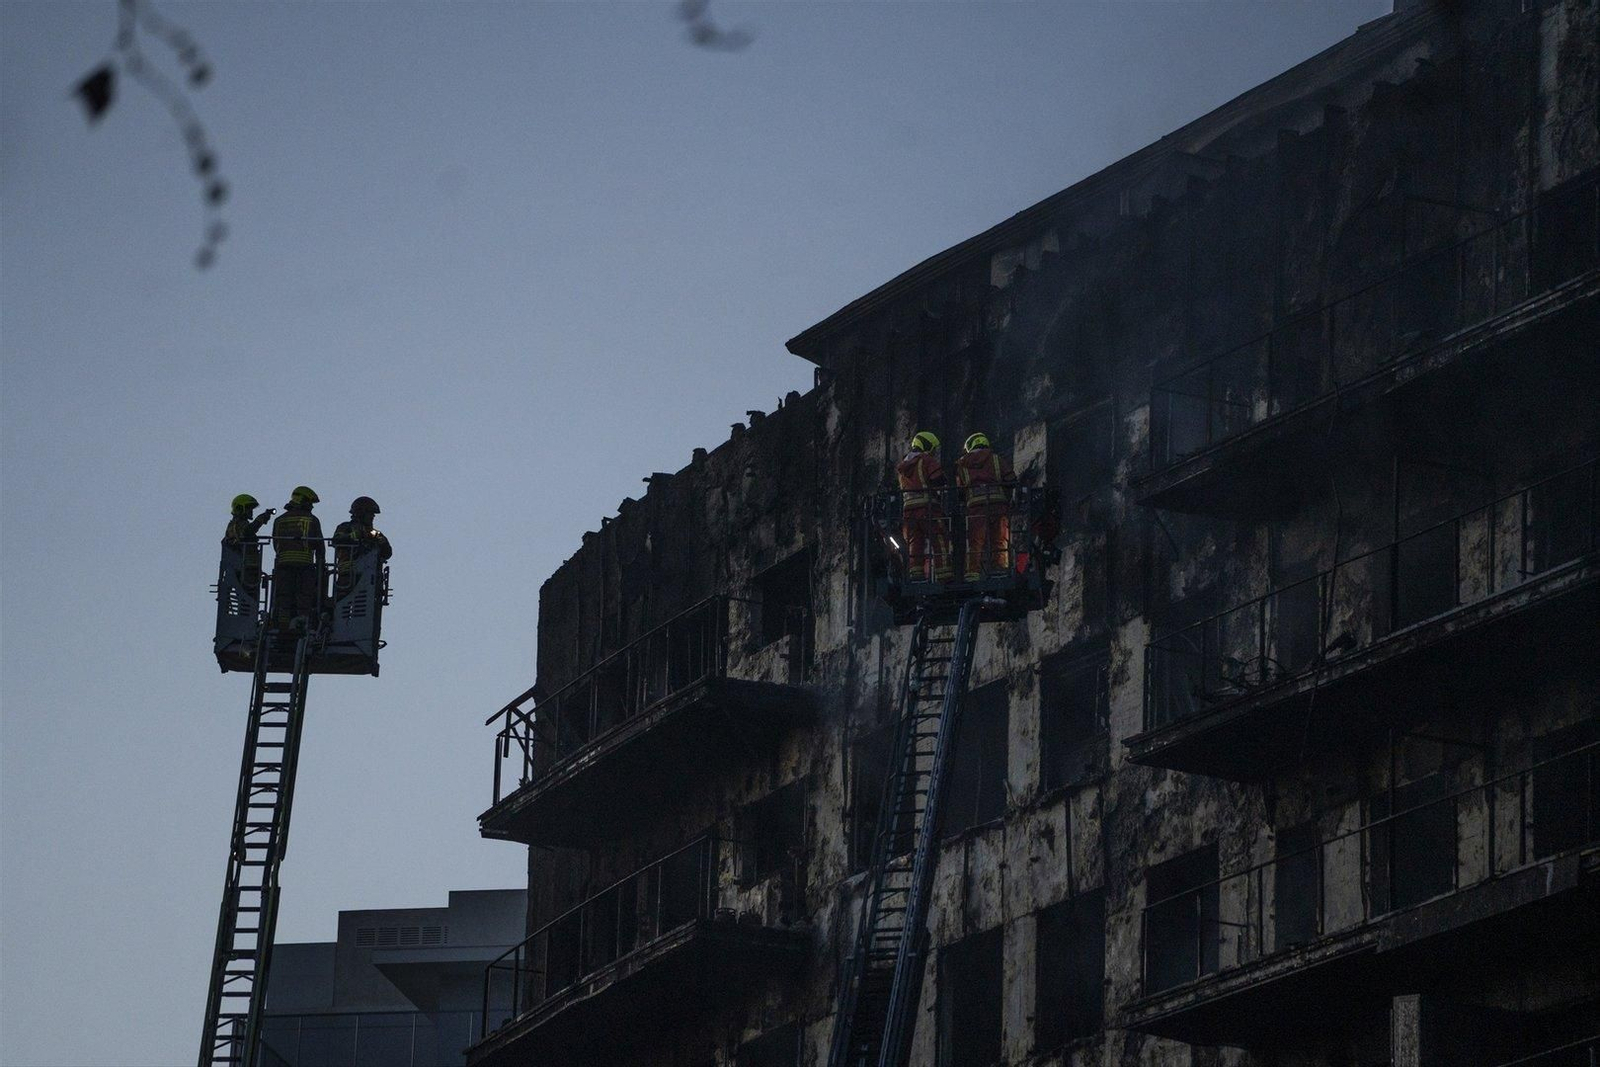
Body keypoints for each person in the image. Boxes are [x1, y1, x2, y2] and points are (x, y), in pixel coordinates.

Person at [895, 431, 953, 583]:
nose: (933, 452)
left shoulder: (902, 467)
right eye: (932, 448)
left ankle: (916, 575)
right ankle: (944, 574)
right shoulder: (926, 460)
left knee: (915, 543)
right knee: (939, 538)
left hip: (908, 511)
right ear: (927, 446)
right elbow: (938, 480)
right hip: (927, 508)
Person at [956, 432, 1015, 580]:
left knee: (975, 541)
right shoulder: (996, 459)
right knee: (999, 540)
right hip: (998, 505)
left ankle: (972, 573)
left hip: (976, 507)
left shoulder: (962, 465)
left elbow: (960, 491)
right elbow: (1011, 479)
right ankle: (999, 569)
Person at [271, 486, 324, 630]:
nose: (311, 506)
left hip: (283, 565)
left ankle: (282, 623)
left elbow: (275, 544)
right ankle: (302, 622)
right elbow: (319, 546)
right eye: (309, 502)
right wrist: (321, 568)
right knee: (304, 595)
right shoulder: (312, 520)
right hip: (305, 565)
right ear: (301, 500)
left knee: (284, 596)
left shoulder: (279, 520)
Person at [331, 496, 392, 601]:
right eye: (370, 513)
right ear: (360, 513)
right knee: (342, 601)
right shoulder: (345, 527)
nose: (373, 516)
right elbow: (337, 540)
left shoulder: (375, 533)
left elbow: (388, 553)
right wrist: (355, 535)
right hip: (348, 575)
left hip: (370, 578)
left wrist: (382, 542)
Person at [222, 493, 274, 593]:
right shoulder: (236, 525)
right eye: (249, 508)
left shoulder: (237, 524)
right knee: (247, 596)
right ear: (241, 508)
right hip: (243, 567)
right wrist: (261, 518)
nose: (251, 511)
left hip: (249, 567)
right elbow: (248, 531)